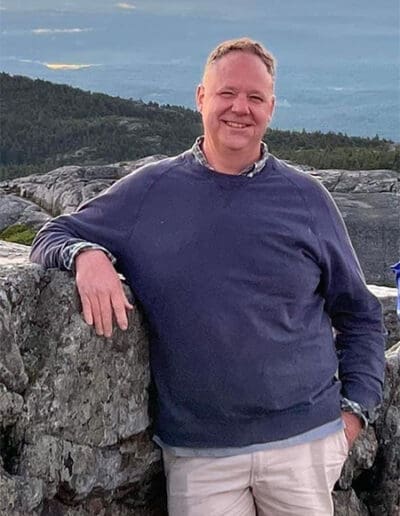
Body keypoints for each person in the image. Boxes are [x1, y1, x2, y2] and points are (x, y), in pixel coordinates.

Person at [30, 38, 385, 516]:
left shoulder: (307, 199)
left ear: (271, 108)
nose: (240, 108)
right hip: (201, 456)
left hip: (305, 445)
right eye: (227, 94)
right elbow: (54, 232)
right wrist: (87, 254)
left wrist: (353, 414)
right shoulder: (151, 191)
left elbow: (361, 313)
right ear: (201, 98)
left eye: (255, 98)